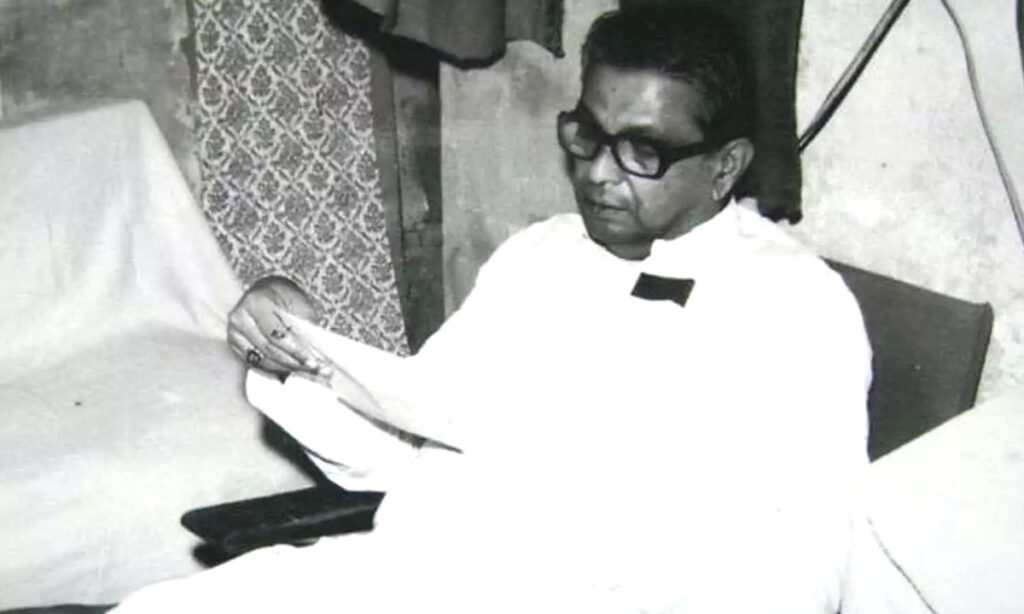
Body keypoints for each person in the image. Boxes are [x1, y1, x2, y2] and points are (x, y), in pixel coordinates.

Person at [108, 5, 927, 613]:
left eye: (642, 151)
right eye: (588, 135)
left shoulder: (793, 307)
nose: (598, 174)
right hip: (405, 577)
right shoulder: (541, 255)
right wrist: (297, 354)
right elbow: (401, 458)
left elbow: (802, 571)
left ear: (725, 167)